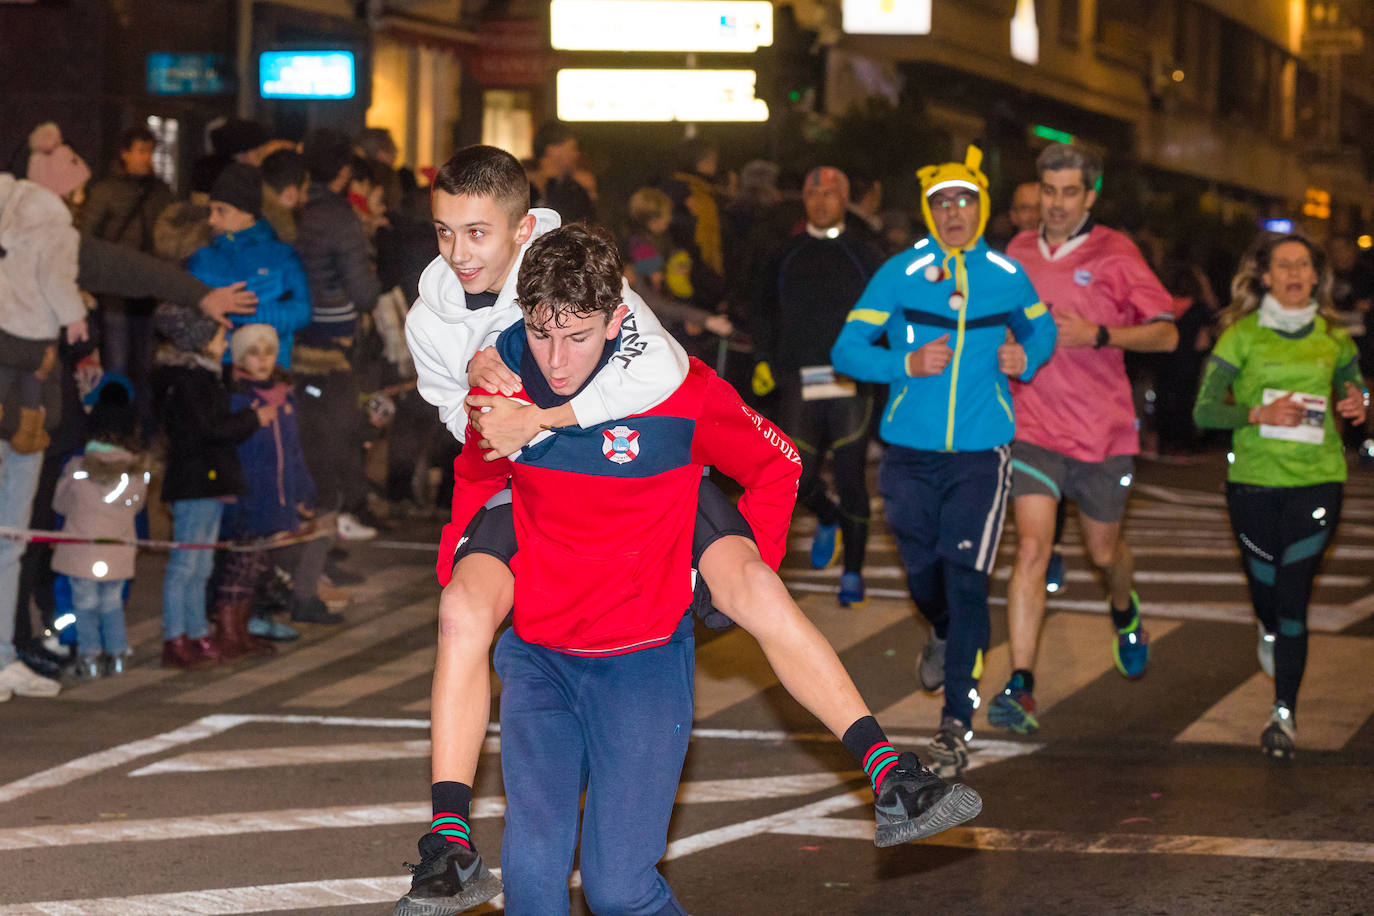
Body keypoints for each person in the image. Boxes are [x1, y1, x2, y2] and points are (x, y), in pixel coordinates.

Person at [396, 148, 982, 915]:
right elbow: (469, 449)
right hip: (532, 530)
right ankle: (448, 836)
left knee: (749, 585)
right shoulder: (448, 325)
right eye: (444, 232)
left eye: (477, 233)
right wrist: (484, 410)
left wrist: (707, 581)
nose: (458, 252)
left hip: (653, 507)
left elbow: (760, 452)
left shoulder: (639, 346)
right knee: (463, 616)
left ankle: (886, 768)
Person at [831, 145, 1057, 774]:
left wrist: (1026, 359)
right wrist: (903, 363)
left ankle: (955, 723)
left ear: (981, 208)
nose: (954, 212)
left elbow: (1042, 330)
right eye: (941, 203)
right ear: (929, 212)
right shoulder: (900, 273)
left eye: (964, 201)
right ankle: (938, 627)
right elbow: (848, 350)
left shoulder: (1007, 277)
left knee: (966, 581)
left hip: (981, 456)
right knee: (925, 575)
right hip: (906, 452)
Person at [990, 143, 1177, 737]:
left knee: (1102, 555)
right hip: (1034, 427)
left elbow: (1168, 335)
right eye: (1049, 192)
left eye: (1071, 193)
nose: (1058, 205)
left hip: (1103, 433)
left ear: (1090, 195)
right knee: (1033, 550)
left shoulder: (1117, 253)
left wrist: (1097, 333)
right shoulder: (1017, 252)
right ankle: (1021, 684)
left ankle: (1125, 610)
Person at [1192, 233, 1366, 758]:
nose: (1293, 273)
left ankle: (1282, 715)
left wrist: (1359, 404)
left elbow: (1355, 396)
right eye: (1282, 265)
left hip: (1318, 480)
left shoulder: (1336, 340)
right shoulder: (1240, 337)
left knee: (1294, 595)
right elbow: (1202, 411)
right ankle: (1267, 627)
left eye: (1303, 265)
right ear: (1265, 277)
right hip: (1252, 483)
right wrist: (1255, 413)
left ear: (1316, 277)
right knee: (1266, 588)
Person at [753, 166, 884, 606]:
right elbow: (762, 310)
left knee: (851, 478)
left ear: (844, 200)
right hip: (799, 379)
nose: (821, 201)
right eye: (813, 194)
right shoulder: (784, 253)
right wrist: (765, 360)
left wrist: (882, 367)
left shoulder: (865, 255)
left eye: (831, 194)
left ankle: (852, 573)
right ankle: (826, 516)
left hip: (850, 380)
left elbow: (887, 318)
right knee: (795, 476)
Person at [150, 305, 264, 667]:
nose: (226, 341)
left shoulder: (207, 377)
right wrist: (252, 418)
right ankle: (176, 637)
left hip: (209, 481)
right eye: (219, 335)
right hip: (195, 482)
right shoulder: (190, 381)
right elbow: (207, 430)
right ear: (200, 342)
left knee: (200, 566)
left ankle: (197, 633)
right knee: (185, 565)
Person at [218, 324, 340, 642]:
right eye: (253, 354)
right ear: (240, 358)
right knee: (245, 563)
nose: (263, 360)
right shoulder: (238, 401)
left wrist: (304, 492)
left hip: (280, 495)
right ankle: (243, 618)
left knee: (267, 561)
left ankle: (262, 614)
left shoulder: (285, 399)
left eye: (269, 352)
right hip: (251, 496)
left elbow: (293, 451)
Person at [51, 382, 146, 678]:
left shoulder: (77, 468)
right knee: (111, 604)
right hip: (116, 553)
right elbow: (136, 507)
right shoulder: (135, 476)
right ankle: (117, 655)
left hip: (81, 553)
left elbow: (60, 503)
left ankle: (89, 658)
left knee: (85, 605)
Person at [186, 163, 310, 368]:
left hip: (270, 369)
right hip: (216, 366)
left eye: (221, 211)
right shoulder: (202, 258)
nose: (211, 220)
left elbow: (302, 311)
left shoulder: (281, 256)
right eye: (210, 210)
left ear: (247, 213)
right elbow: (187, 312)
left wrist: (245, 312)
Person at [80, 125, 176, 378]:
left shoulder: (161, 192)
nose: (146, 158)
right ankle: (117, 414)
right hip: (115, 289)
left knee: (143, 365)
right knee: (117, 360)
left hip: (148, 289)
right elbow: (87, 236)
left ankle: (136, 414)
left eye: (150, 151)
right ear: (125, 153)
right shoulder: (106, 192)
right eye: (141, 151)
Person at [528, 120, 595, 225]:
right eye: (572, 148)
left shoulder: (576, 191)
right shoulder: (524, 188)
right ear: (552, 150)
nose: (576, 154)